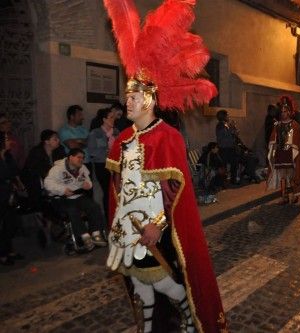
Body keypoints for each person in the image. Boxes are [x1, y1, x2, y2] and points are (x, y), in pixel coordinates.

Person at [103, 0, 227, 331]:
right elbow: (116, 188)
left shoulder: (168, 137)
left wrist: (157, 225)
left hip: (161, 230)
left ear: (150, 100)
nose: (127, 101)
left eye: (134, 96)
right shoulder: (122, 140)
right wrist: (118, 223)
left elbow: (174, 187)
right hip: (130, 227)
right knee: (141, 290)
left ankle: (186, 316)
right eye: (127, 96)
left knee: (165, 285)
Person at [44, 148, 107, 251]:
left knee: (94, 206)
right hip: (62, 198)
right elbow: (47, 184)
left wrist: (88, 185)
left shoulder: (83, 168)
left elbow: (88, 180)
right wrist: (62, 190)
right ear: (70, 157)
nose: (81, 160)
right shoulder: (57, 169)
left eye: (83, 158)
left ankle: (96, 234)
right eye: (79, 157)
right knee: (73, 210)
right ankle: (85, 237)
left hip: (78, 195)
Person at [267, 95, 300, 204]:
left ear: (289, 112)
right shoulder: (277, 125)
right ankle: (284, 196)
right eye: (282, 111)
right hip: (280, 154)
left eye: (285, 111)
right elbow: (273, 139)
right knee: (282, 176)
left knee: (292, 175)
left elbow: (298, 142)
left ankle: (294, 194)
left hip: (291, 154)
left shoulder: (295, 125)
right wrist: (273, 149)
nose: (283, 113)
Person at [88, 108, 119, 220]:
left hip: (115, 165)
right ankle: (108, 218)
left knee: (116, 191)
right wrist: (107, 151)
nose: (113, 119)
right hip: (102, 165)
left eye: (114, 117)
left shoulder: (116, 132)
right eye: (111, 117)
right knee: (107, 191)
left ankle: (117, 216)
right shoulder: (95, 133)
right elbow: (92, 152)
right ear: (104, 119)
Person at [0, 132, 25, 265]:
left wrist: (18, 184)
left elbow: (14, 172)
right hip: (2, 194)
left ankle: (9, 250)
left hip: (9, 193)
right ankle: (3, 254)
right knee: (4, 225)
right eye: (6, 139)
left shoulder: (8, 156)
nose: (10, 141)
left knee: (11, 224)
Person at [22, 129, 66, 205]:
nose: (58, 140)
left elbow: (64, 164)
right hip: (36, 180)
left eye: (58, 138)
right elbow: (36, 170)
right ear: (47, 141)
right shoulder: (36, 152)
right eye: (55, 139)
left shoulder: (60, 149)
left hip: (53, 178)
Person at [58, 105, 92, 180]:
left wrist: (77, 140)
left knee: (88, 188)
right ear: (72, 116)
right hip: (74, 166)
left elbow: (91, 142)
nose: (82, 118)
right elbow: (73, 147)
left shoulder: (83, 129)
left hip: (87, 162)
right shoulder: (64, 130)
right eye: (79, 115)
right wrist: (84, 141)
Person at [216, 109, 240, 184]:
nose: (228, 116)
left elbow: (230, 135)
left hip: (229, 148)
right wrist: (232, 128)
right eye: (227, 115)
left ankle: (232, 180)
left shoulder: (225, 124)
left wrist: (234, 130)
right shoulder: (220, 125)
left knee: (234, 163)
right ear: (223, 116)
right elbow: (225, 135)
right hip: (224, 148)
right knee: (224, 166)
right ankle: (223, 182)